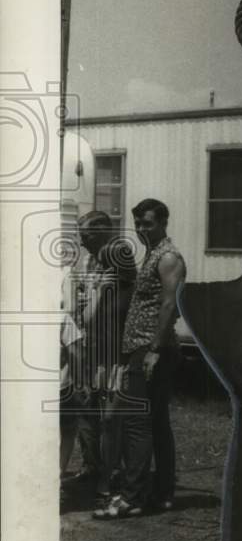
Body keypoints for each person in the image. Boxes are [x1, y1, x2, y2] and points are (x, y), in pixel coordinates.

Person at [94, 198, 186, 519]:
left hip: (151, 349)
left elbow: (169, 305)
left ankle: (132, 498)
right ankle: (163, 494)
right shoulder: (152, 256)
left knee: (137, 422)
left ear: (163, 222)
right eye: (138, 223)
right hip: (142, 347)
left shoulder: (168, 257)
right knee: (157, 422)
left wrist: (154, 350)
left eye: (148, 223)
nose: (142, 229)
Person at [71, 210, 137, 509]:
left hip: (115, 350)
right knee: (86, 409)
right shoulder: (87, 261)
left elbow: (105, 310)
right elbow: (81, 305)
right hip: (89, 346)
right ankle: (92, 466)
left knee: (111, 418)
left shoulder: (118, 255)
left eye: (86, 235)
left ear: (102, 232)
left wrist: (98, 293)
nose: (82, 241)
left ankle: (108, 477)